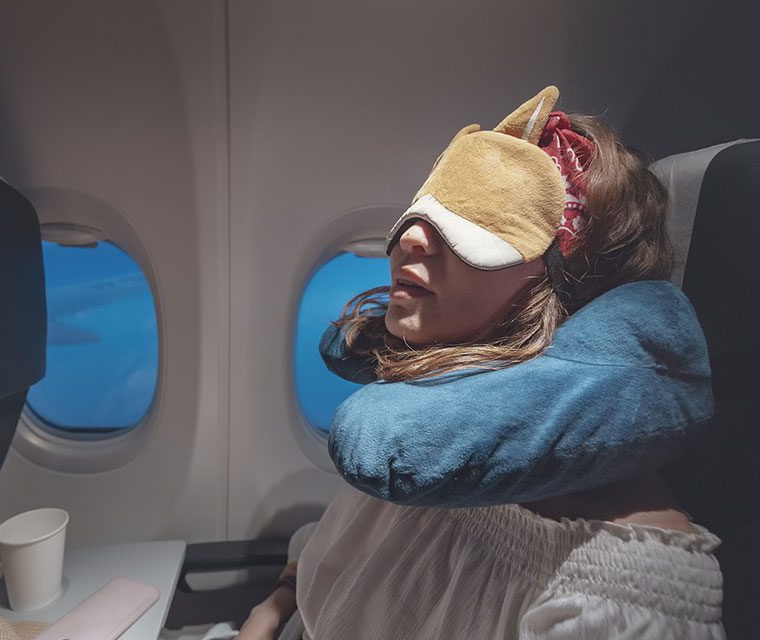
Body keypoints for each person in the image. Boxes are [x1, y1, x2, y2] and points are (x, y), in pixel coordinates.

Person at [230, 88, 724, 639]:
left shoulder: (617, 596)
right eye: (424, 209)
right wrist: (270, 611)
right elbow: (339, 551)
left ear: (565, 284)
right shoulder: (434, 437)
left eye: (480, 225)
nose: (410, 237)